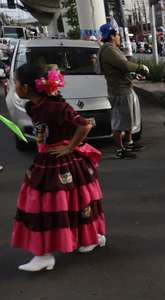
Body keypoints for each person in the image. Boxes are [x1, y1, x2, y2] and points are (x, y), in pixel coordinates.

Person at [11, 64, 106, 271]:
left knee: (67, 202)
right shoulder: (32, 106)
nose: (13, 85)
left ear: (26, 87)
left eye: (15, 82)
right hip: (44, 160)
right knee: (46, 203)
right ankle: (44, 254)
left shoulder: (57, 108)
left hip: (62, 162)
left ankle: (89, 238)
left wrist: (69, 146)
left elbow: (85, 125)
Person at [95, 23, 149, 159]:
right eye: (117, 34)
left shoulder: (111, 48)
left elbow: (118, 70)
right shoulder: (109, 49)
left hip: (124, 89)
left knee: (127, 119)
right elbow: (124, 65)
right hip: (118, 91)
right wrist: (140, 67)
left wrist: (133, 75)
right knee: (118, 121)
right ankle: (119, 150)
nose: (119, 37)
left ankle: (129, 143)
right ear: (112, 36)